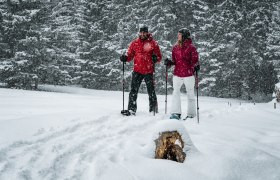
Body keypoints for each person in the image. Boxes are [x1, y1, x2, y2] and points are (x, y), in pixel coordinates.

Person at [120, 25, 162, 116]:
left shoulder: (153, 43)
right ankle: (131, 109)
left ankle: (153, 110)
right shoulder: (134, 43)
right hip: (137, 70)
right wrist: (125, 58)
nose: (142, 34)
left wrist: (155, 58)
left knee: (151, 91)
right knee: (133, 91)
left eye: (144, 32)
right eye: (141, 32)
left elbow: (159, 57)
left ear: (147, 33)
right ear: (139, 32)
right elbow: (130, 55)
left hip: (148, 70)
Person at [164, 28, 200, 120]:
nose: (178, 36)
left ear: (184, 36)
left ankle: (191, 114)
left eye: (179, 34)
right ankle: (176, 113)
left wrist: (196, 66)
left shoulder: (191, 48)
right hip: (177, 74)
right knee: (176, 92)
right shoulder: (175, 47)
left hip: (189, 75)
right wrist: (169, 63)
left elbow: (195, 60)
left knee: (190, 94)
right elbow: (175, 61)